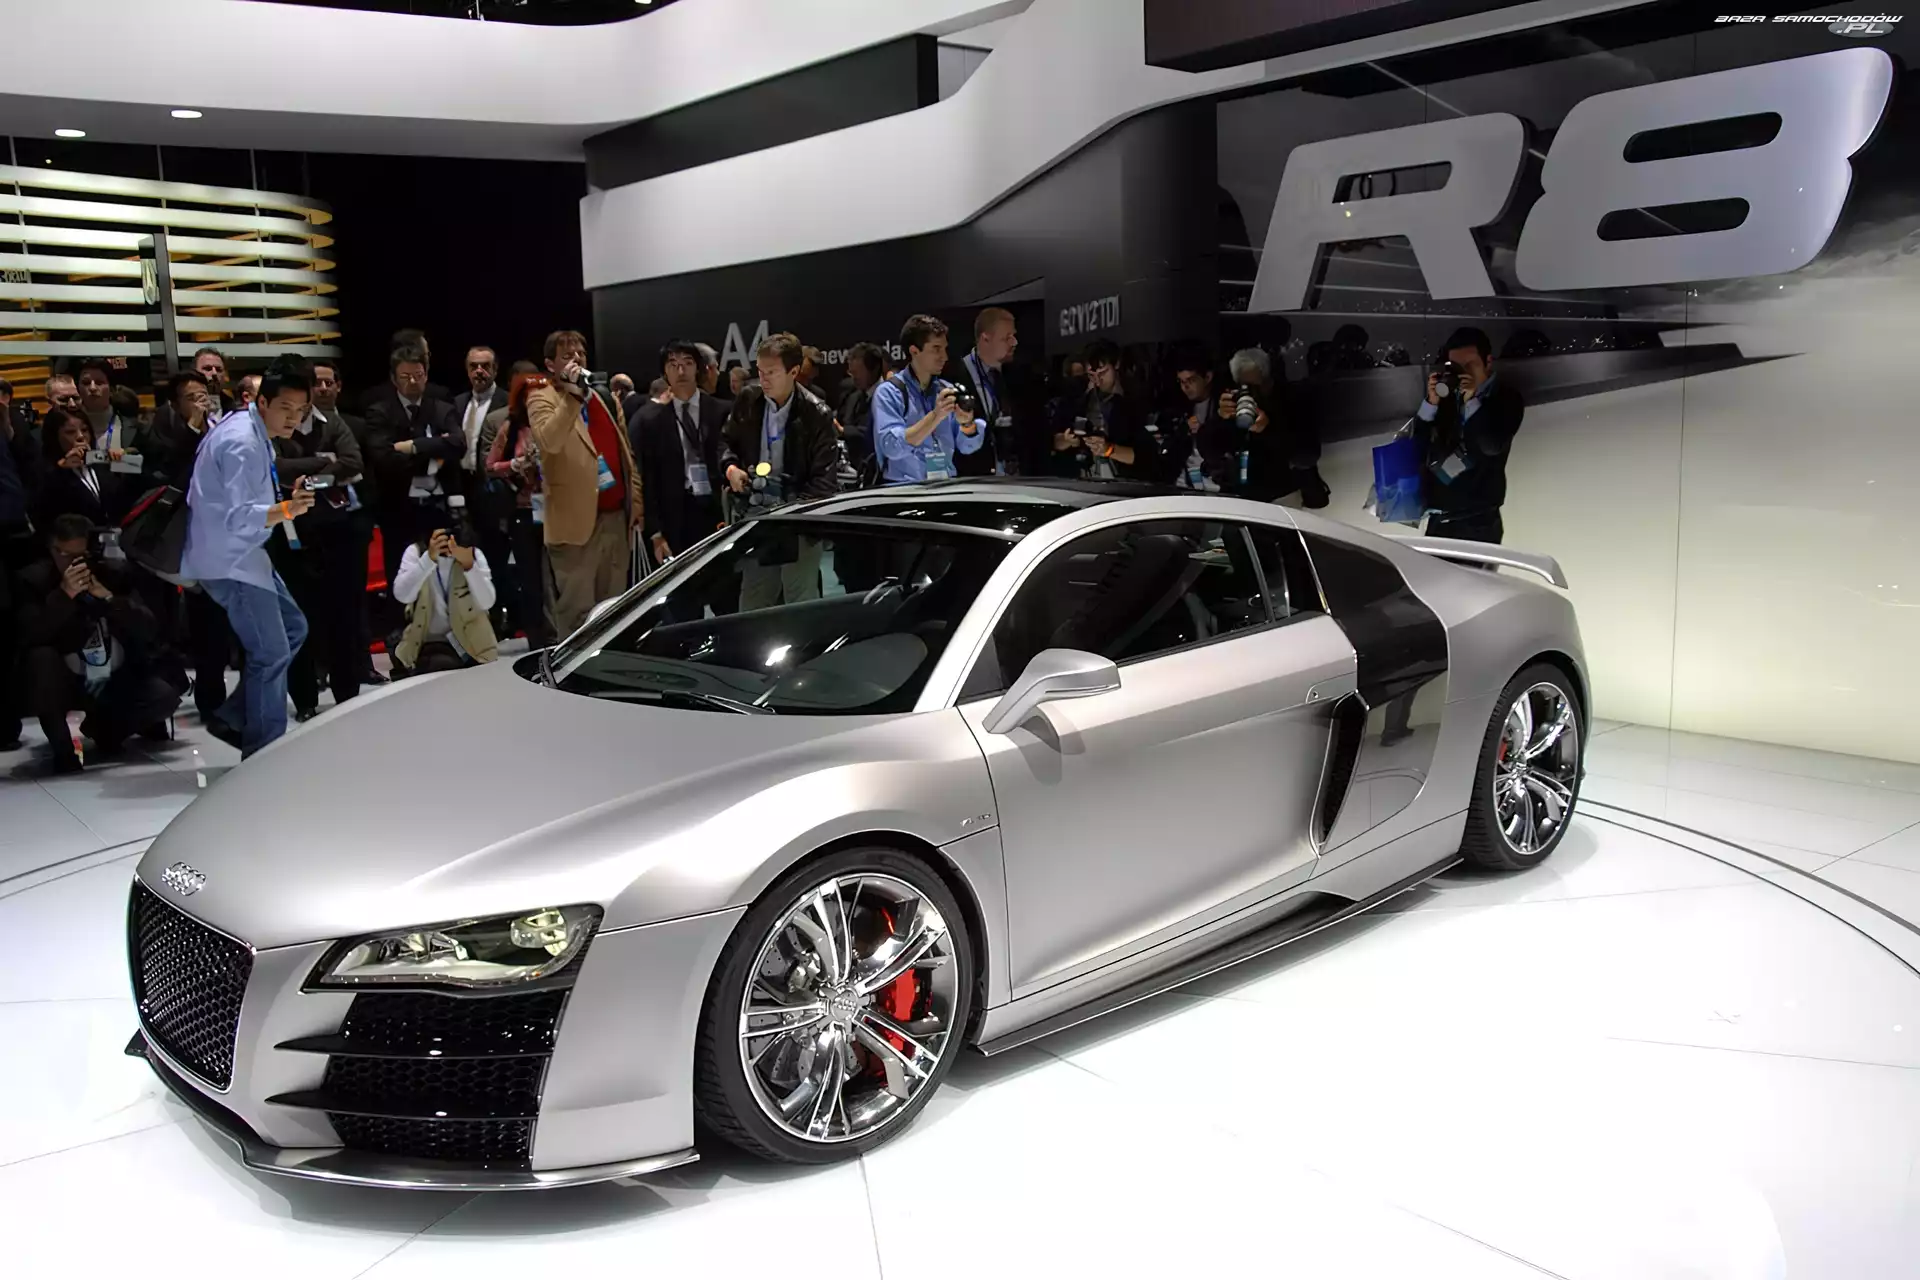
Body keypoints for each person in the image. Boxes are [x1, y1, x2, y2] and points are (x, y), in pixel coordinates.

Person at [179, 355, 315, 757]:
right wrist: (288, 509)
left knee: (293, 628)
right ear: (263, 402)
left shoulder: (249, 429)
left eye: (300, 410)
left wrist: (285, 499)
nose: (293, 418)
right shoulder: (242, 442)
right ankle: (263, 752)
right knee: (271, 652)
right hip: (230, 560)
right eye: (285, 408)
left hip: (243, 555)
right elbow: (240, 518)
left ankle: (236, 717)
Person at [14, 514, 185, 773]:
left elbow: (149, 627)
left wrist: (109, 600)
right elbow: (29, 635)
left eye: (81, 556)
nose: (74, 563)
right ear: (52, 549)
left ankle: (106, 731)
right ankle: (63, 750)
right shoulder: (32, 581)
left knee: (163, 696)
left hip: (114, 675)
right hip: (66, 679)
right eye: (65, 555)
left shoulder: (112, 574)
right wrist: (64, 595)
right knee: (40, 660)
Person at [528, 329, 643, 636]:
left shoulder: (605, 397)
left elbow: (626, 454)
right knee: (577, 615)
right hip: (574, 527)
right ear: (550, 364)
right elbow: (550, 441)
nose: (577, 360)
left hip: (615, 519)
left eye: (581, 354)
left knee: (615, 610)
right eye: (567, 356)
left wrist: (636, 504)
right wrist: (572, 396)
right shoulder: (540, 398)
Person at [269, 381, 367, 721]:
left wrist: (309, 473)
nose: (296, 412)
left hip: (338, 531)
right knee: (298, 620)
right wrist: (323, 463)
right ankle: (305, 699)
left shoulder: (333, 423)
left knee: (344, 618)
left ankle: (348, 695)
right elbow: (277, 468)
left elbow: (353, 461)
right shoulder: (273, 429)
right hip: (292, 533)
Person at [720, 333, 841, 607]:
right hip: (758, 517)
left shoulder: (816, 413)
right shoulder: (748, 399)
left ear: (794, 372)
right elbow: (725, 442)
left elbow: (824, 481)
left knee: (800, 603)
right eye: (760, 371)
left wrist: (790, 512)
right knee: (753, 601)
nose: (763, 379)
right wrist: (731, 468)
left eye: (771, 372)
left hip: (799, 521)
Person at [311, 359, 386, 689]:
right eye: (317, 383)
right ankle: (320, 667)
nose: (323, 388)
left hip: (354, 519)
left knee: (356, 598)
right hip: (315, 524)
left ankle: (362, 664)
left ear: (339, 386)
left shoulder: (356, 425)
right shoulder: (301, 428)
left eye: (329, 382)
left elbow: (370, 470)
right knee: (319, 600)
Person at [1415, 325, 1524, 545]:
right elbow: (1419, 445)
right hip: (1439, 514)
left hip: (1479, 517)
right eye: (1456, 367)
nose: (1463, 373)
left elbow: (1491, 445)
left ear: (1488, 362)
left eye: (1470, 365)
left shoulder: (1506, 398)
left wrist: (1473, 401)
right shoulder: (1448, 398)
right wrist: (1431, 404)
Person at [366, 345, 464, 590]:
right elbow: (384, 458)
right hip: (397, 506)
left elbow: (458, 444)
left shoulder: (442, 408)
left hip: (439, 506)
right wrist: (435, 455)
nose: (412, 381)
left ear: (426, 375)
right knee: (400, 575)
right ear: (393, 379)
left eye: (418, 375)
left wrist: (412, 446)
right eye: (405, 376)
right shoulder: (379, 412)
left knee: (442, 574)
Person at [634, 339, 729, 563]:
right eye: (673, 364)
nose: (681, 371)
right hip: (675, 515)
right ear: (664, 373)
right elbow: (648, 477)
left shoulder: (721, 411)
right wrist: (655, 533)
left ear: (698, 368)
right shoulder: (652, 420)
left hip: (716, 508)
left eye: (687, 363)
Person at [483, 369, 552, 647]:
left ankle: (562, 632)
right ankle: (537, 637)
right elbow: (489, 466)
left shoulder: (555, 422)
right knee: (529, 577)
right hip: (524, 510)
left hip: (557, 508)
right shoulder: (511, 428)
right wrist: (513, 465)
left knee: (558, 575)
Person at [873, 315, 981, 484]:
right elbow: (892, 446)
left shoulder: (946, 390)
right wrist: (935, 416)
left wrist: (967, 424)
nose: (944, 356)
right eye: (936, 349)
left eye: (944, 348)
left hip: (945, 485)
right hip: (904, 490)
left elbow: (968, 447)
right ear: (914, 351)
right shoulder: (889, 392)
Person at [1218, 348, 1325, 507]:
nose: (1250, 394)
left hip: (1283, 492)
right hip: (1241, 494)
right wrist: (1221, 418)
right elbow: (1213, 450)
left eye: (1254, 387)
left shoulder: (1292, 400)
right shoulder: (1234, 404)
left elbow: (1307, 455)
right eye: (1243, 387)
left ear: (1268, 381)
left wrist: (1268, 429)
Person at [390, 522, 497, 675]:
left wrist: (469, 566)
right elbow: (402, 595)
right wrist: (428, 560)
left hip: (472, 645)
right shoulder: (416, 552)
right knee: (438, 665)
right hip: (427, 642)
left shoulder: (473, 554)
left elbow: (487, 602)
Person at [1054, 340, 1157, 482]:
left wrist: (1109, 449)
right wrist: (1068, 440)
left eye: (1103, 372)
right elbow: (1056, 442)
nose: (1097, 380)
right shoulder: (1079, 401)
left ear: (1116, 364)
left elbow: (1148, 456)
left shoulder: (1137, 401)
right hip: (1086, 481)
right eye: (1091, 375)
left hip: (1129, 484)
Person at [947, 307, 1028, 477]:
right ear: (985, 339)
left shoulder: (1021, 376)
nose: (1014, 342)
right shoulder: (953, 377)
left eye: (1014, 335)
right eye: (1007, 338)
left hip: (1018, 477)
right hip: (974, 479)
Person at [1164, 349, 1235, 491]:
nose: (1185, 387)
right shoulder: (1180, 408)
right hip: (1184, 482)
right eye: (1181, 381)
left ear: (1207, 377)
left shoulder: (1223, 405)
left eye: (1191, 380)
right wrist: (1184, 430)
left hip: (1216, 482)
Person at [32, 408, 112, 532]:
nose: (81, 436)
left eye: (84, 430)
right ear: (54, 437)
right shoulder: (44, 471)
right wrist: (61, 471)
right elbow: (41, 513)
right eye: (70, 432)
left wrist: (125, 460)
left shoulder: (100, 462)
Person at [454, 346, 506, 475]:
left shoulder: (508, 402)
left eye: (485, 366)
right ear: (467, 370)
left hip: (492, 479)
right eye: (473, 366)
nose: (479, 371)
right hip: (461, 477)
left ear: (495, 369)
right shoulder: (458, 402)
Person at [839, 343, 885, 483]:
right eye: (851, 372)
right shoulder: (851, 396)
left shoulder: (889, 397)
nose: (853, 377)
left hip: (880, 475)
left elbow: (874, 433)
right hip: (852, 475)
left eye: (857, 372)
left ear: (874, 369)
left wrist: (842, 430)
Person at [75, 360, 137, 457]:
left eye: (99, 383)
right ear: (78, 389)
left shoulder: (136, 428)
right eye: (86, 383)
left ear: (112, 389)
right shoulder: (65, 427)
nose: (92, 388)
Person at [193, 346, 235, 416]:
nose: (214, 373)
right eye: (207, 368)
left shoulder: (233, 408)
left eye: (218, 370)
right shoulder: (182, 405)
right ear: (194, 372)